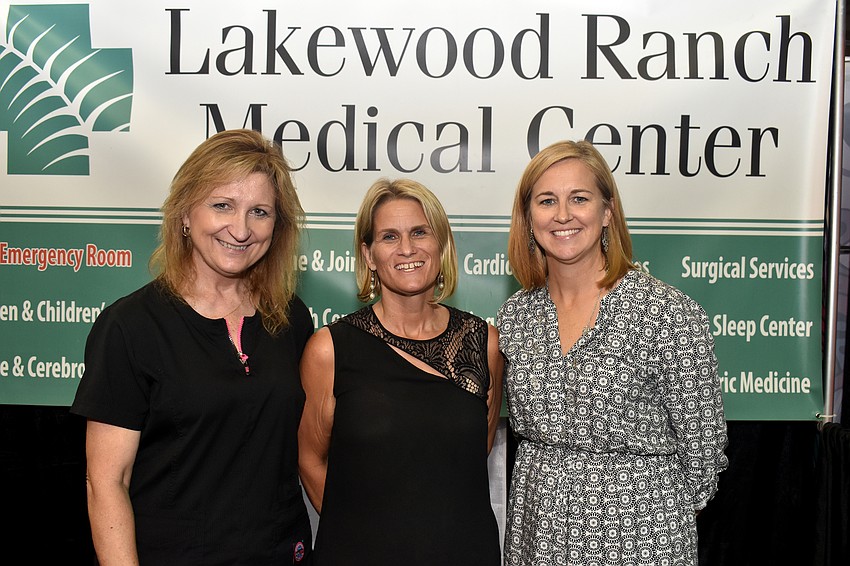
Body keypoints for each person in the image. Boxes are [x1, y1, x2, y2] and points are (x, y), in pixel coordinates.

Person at [71, 129, 313, 565]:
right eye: (222, 205)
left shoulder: (291, 317)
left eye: (259, 211)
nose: (240, 229)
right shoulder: (130, 327)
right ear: (185, 213)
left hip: (281, 553)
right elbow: (106, 481)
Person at [498, 140, 728, 566]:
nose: (563, 215)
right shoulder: (517, 315)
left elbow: (704, 454)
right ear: (529, 219)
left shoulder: (666, 313)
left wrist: (643, 513)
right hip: (538, 536)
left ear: (607, 212)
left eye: (579, 199)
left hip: (642, 540)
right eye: (547, 201)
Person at [298, 178, 503, 565]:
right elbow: (310, 458)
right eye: (389, 237)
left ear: (440, 244)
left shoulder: (484, 342)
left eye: (419, 232)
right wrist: (365, 534)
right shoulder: (330, 349)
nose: (407, 248)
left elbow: (476, 452)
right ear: (369, 254)